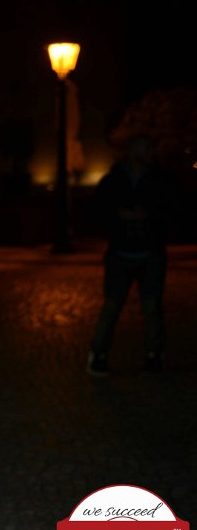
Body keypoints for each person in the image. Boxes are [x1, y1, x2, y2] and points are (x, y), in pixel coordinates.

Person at [86, 133, 179, 376]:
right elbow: (98, 212)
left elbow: (172, 211)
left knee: (152, 306)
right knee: (112, 306)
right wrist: (119, 218)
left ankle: (153, 356)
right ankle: (98, 355)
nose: (151, 153)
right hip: (120, 253)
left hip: (150, 253)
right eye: (146, 149)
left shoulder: (160, 180)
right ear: (134, 152)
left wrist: (149, 218)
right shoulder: (113, 181)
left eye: (151, 149)